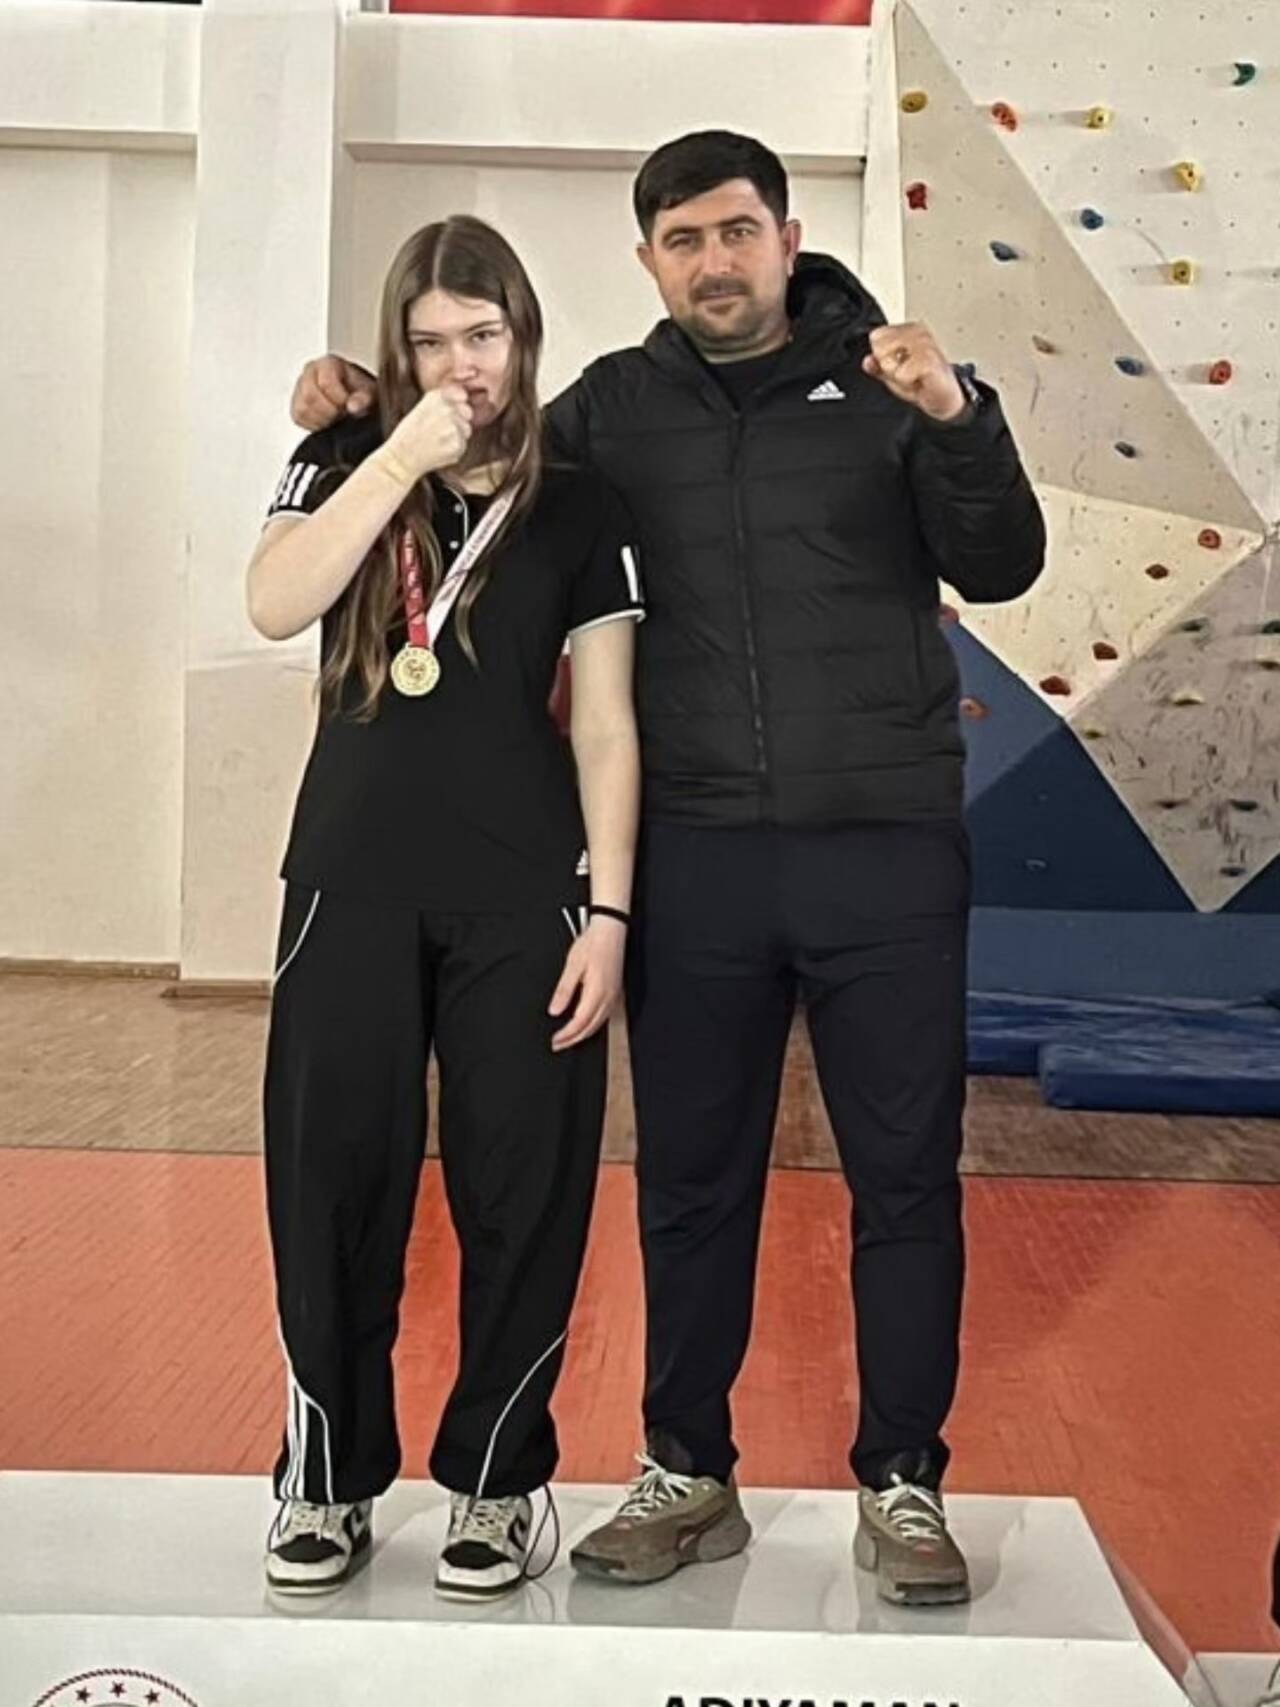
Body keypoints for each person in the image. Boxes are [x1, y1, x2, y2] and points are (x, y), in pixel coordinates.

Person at [289, 130, 1046, 1607]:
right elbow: (486, 438)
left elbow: (1005, 562)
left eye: (737, 232)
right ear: (648, 260)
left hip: (886, 849)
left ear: (787, 239)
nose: (714, 261)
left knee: (906, 1179)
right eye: (683, 240)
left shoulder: (887, 389)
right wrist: (358, 400)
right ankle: (690, 1469)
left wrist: (960, 416)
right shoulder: (611, 411)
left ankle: (903, 1479)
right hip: (697, 857)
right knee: (692, 1183)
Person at [247, 214, 643, 1602]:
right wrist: (396, 456)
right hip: (347, 881)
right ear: (394, 348)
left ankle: (498, 1482)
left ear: (523, 338)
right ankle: (324, 1477)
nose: (459, 364)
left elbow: (608, 726)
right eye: (429, 341)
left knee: (521, 1193)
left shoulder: (581, 503)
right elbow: (275, 603)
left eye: (482, 335)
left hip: (524, 896)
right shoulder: (338, 458)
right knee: (330, 1184)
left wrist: (610, 915)